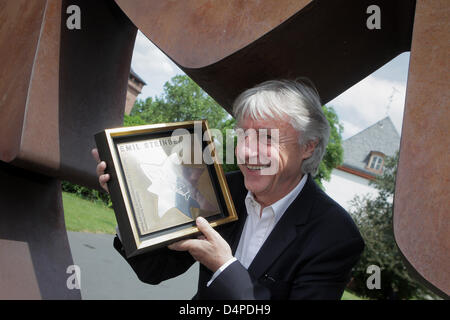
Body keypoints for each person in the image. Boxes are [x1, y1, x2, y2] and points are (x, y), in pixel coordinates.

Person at [92, 79, 364, 299]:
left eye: (266, 137)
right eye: (243, 135)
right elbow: (154, 270)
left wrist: (224, 267)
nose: (246, 152)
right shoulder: (225, 189)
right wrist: (127, 200)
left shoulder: (336, 234)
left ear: (308, 146)